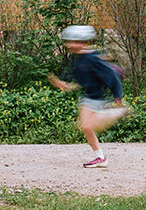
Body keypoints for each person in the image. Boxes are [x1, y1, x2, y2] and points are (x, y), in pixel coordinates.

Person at [47, 25, 130, 168]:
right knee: (86, 127)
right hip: (87, 96)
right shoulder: (79, 58)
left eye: (74, 41)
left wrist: (117, 95)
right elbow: (79, 79)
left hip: (96, 97)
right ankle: (100, 157)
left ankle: (117, 112)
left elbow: (110, 75)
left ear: (83, 42)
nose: (71, 45)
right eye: (69, 41)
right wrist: (65, 85)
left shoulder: (92, 58)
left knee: (87, 125)